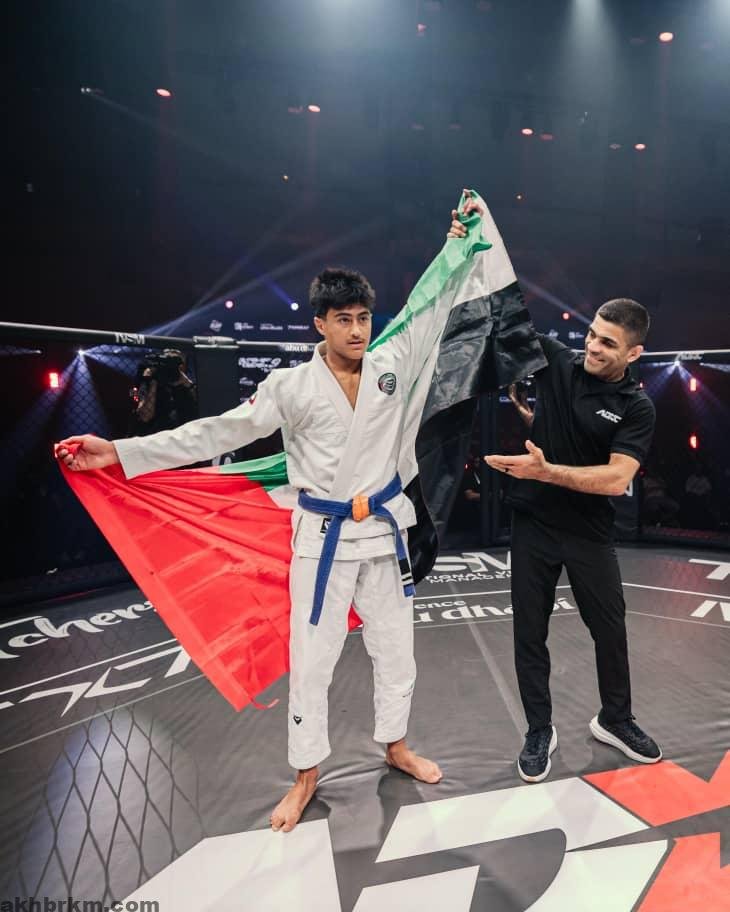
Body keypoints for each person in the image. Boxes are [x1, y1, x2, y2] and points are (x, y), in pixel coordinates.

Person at [56, 265, 444, 834]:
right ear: (320, 324)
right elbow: (217, 431)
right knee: (312, 665)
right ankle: (306, 775)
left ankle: (396, 745)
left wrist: (461, 239)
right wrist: (119, 451)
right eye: (344, 320)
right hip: (324, 540)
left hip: (385, 534)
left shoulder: (390, 369)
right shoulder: (291, 386)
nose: (358, 331)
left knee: (396, 653)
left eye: (364, 319)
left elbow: (435, 308)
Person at [449, 196, 662, 783]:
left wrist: (549, 471)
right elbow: (502, 305)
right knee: (529, 633)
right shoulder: (556, 360)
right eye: (592, 334)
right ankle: (539, 729)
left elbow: (617, 479)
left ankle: (615, 718)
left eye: (608, 344)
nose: (593, 347)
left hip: (590, 532)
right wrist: (468, 244)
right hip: (535, 526)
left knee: (610, 630)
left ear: (633, 354)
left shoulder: (637, 407)